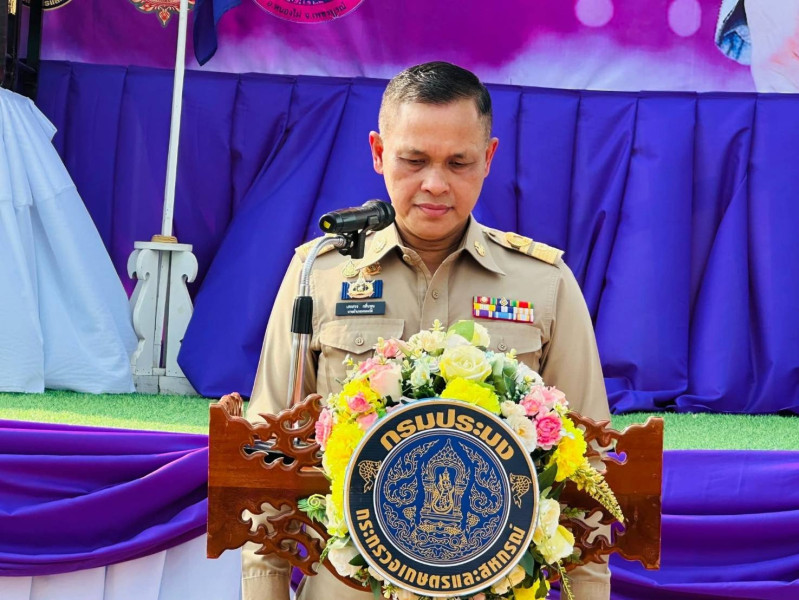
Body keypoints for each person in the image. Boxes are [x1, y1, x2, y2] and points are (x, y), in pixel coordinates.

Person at [243, 61, 612, 600]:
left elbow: (589, 472)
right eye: (414, 160)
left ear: (488, 158)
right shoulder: (318, 274)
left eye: (458, 162)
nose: (435, 184)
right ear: (378, 152)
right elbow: (268, 458)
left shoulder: (543, 284)